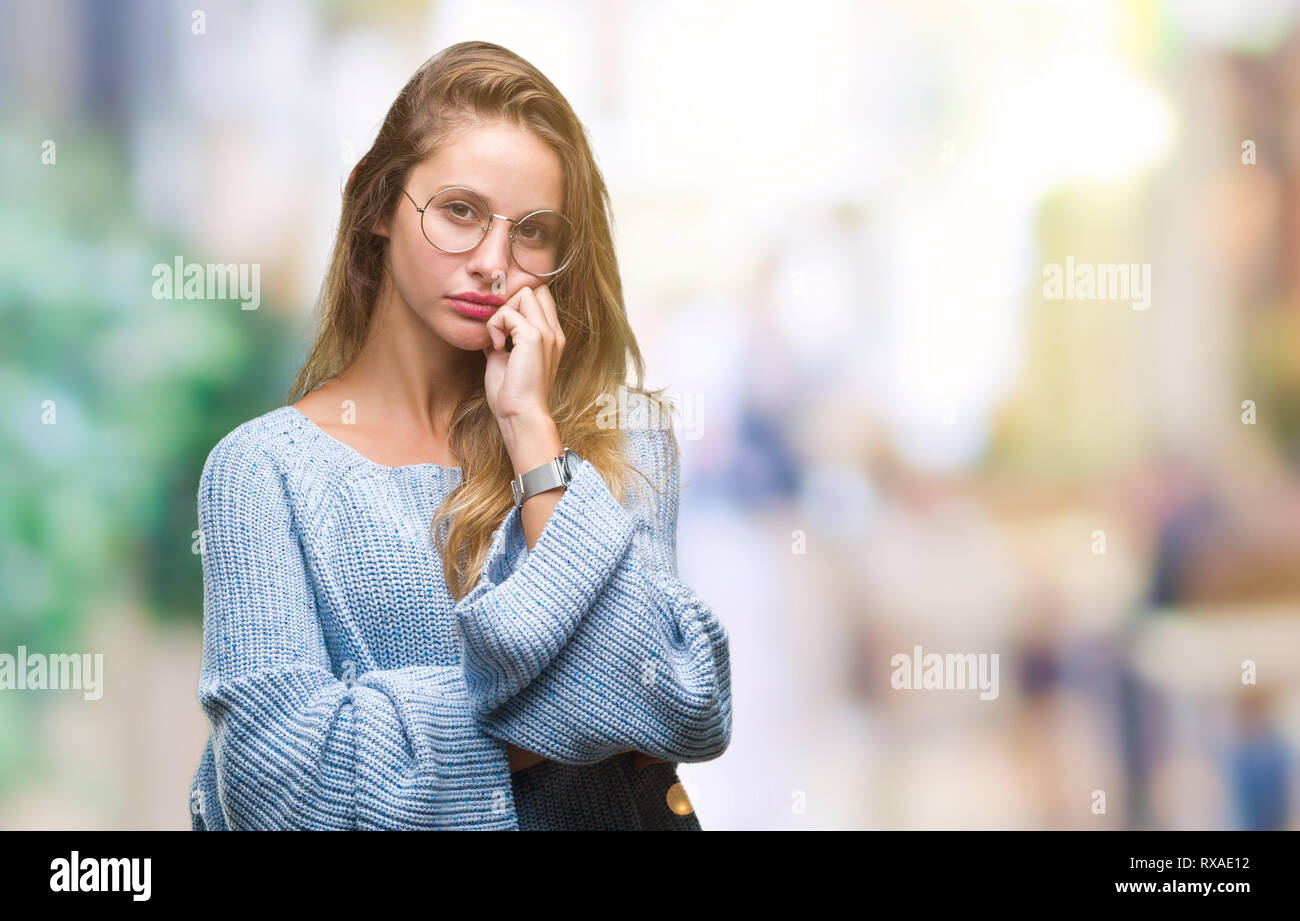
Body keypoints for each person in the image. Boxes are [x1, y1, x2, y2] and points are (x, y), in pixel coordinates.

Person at [186, 41, 732, 830]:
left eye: (534, 231)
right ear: (375, 203)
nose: (493, 263)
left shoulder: (626, 439)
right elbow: (283, 792)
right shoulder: (263, 470)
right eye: (459, 212)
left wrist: (532, 436)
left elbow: (679, 698)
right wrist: (576, 707)